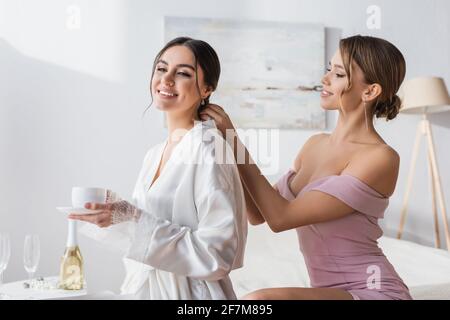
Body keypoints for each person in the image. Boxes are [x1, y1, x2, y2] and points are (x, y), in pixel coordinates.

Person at [200, 35, 412, 300]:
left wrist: (233, 140)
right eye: (328, 70)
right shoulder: (315, 144)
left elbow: (281, 218)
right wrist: (223, 146)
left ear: (370, 91)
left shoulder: (380, 157)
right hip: (330, 293)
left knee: (259, 300)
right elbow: (258, 214)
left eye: (338, 74)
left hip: (371, 292)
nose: (325, 80)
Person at [69, 37, 247, 300]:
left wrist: (133, 218)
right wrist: (117, 215)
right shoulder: (154, 154)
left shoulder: (209, 149)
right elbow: (146, 230)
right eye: (162, 69)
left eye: (183, 73)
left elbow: (218, 255)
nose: (166, 79)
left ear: (207, 89)